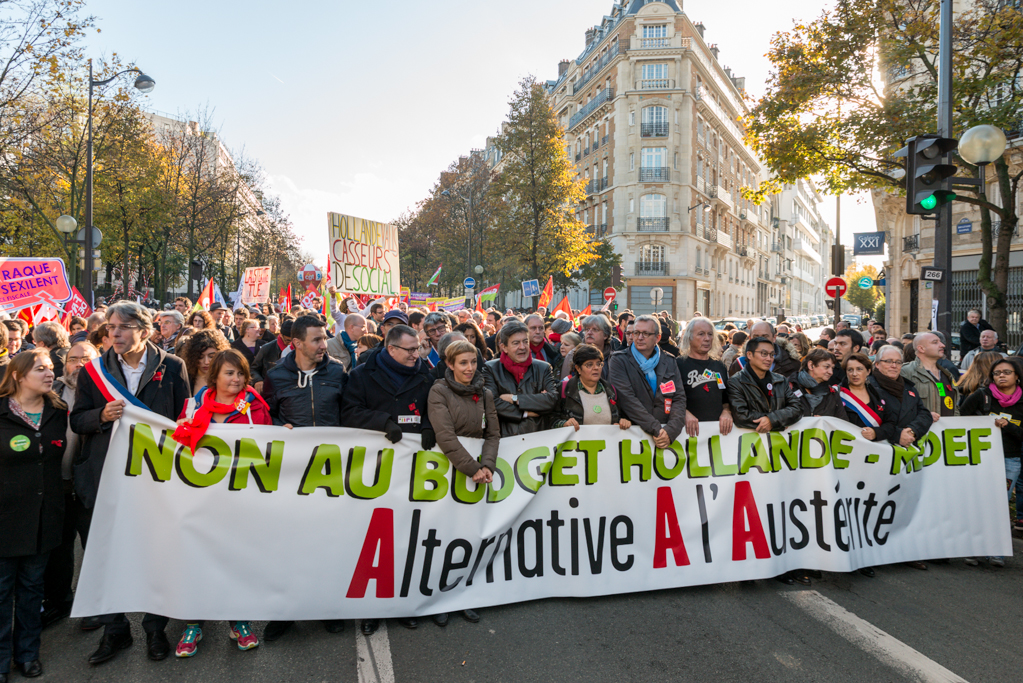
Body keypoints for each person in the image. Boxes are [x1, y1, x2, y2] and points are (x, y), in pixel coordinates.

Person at [69, 302, 191, 664]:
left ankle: (155, 629)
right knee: (107, 555)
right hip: (105, 476)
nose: (114, 334)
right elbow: (78, 420)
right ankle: (115, 630)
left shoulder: (172, 366)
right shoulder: (93, 372)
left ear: (145, 328)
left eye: (122, 327)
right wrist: (100, 415)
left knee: (155, 554)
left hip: (154, 478)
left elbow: (185, 419)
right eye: (109, 328)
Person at [169, 350, 270, 656]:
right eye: (229, 373)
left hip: (240, 499)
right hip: (201, 497)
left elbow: (270, 446)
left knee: (235, 559)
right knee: (196, 558)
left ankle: (238, 620)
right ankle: (193, 623)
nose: (236, 379)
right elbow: (178, 440)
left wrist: (285, 435)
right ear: (214, 376)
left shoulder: (256, 406)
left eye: (240, 373)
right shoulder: (196, 405)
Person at [342, 324, 434, 634]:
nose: (416, 354)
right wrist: (382, 422)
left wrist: (428, 426)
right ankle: (372, 608)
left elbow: (434, 409)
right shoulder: (361, 375)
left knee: (408, 538)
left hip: (412, 469)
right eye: (410, 350)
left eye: (418, 348)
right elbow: (350, 412)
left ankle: (404, 604)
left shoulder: (425, 374)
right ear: (391, 349)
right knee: (372, 542)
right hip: (373, 471)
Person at [261, 315, 348, 640]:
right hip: (291, 474)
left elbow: (349, 412)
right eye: (316, 340)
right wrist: (274, 429)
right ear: (296, 343)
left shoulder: (338, 371)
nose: (323, 345)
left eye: (324, 338)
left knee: (327, 543)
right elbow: (265, 416)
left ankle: (327, 608)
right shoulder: (276, 375)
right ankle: (285, 612)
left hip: (331, 471)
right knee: (288, 544)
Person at [0, 350, 66, 681]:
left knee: (31, 591)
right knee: (1, 593)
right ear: (17, 375)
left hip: (43, 519)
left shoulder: (58, 412)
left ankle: (27, 655)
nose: (49, 373)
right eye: (40, 368)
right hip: (5, 520)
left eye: (51, 368)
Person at [426, 339, 500, 627]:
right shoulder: (438, 391)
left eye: (473, 362)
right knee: (442, 538)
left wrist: (487, 465)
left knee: (469, 537)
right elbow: (445, 436)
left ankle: (464, 595)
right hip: (447, 472)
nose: (469, 368)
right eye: (463, 363)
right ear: (450, 365)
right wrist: (472, 468)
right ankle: (436, 599)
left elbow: (493, 434)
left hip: (477, 474)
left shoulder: (485, 393)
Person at [42, 341, 99, 629]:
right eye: (72, 359)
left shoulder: (105, 391)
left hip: (90, 483)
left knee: (95, 546)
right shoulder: (53, 391)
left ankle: (97, 605)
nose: (77, 365)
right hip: (58, 484)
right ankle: (59, 601)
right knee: (60, 548)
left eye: (84, 359)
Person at [960, 357, 1023, 568]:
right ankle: (974, 549)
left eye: (1006, 372)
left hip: (1009, 461)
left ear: (1017, 376)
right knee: (979, 501)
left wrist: (1008, 427)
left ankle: (997, 551)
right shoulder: (982, 395)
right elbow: (963, 417)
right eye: (997, 373)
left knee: (999, 503)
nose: (1001, 376)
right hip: (980, 458)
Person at [607, 315, 686, 448]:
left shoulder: (670, 361)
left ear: (658, 337)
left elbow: (679, 398)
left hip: (664, 436)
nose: (639, 337)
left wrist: (671, 431)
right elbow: (627, 399)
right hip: (632, 435)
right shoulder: (619, 360)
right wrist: (656, 429)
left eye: (645, 333)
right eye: (636, 333)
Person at [483, 319, 558, 436]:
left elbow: (551, 400)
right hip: (503, 440)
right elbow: (492, 404)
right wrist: (527, 412)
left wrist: (515, 398)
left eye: (525, 342)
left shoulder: (543, 368)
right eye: (516, 343)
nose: (522, 347)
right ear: (504, 347)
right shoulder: (491, 368)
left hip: (538, 439)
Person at [727, 336, 803, 433]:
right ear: (749, 355)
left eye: (772, 354)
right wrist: (775, 421)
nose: (769, 359)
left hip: (779, 444)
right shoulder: (736, 382)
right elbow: (741, 416)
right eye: (764, 354)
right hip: (751, 444)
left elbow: (797, 408)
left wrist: (772, 420)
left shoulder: (780, 380)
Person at [554, 343, 633, 431]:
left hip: (607, 444)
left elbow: (618, 417)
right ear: (578, 368)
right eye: (589, 365)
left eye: (599, 364)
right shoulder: (564, 389)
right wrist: (564, 424)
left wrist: (622, 422)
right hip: (577, 444)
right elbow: (550, 420)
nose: (596, 368)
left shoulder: (611, 390)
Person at [676, 317, 733, 437]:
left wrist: (726, 411)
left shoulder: (719, 365)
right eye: (701, 334)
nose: (707, 338)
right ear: (689, 337)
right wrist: (684, 413)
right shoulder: (677, 365)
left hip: (717, 435)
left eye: (710, 334)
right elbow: (668, 398)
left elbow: (726, 398)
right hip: (687, 435)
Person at [902, 332, 959, 423]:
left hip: (945, 434)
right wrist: (922, 416)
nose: (942, 345)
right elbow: (899, 406)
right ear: (921, 348)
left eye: (941, 342)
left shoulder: (947, 374)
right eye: (935, 342)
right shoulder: (906, 372)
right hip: (920, 433)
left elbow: (954, 407)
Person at [727, 321, 800, 378]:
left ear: (774, 338)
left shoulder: (792, 363)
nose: (760, 340)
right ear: (750, 339)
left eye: (765, 336)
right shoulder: (739, 364)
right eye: (756, 337)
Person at [790, 348, 847, 419]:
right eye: (826, 367)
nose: (831, 372)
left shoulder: (832, 393)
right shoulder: (788, 387)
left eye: (832, 368)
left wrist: (825, 423)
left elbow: (842, 423)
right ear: (811, 365)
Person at [560, 315, 619, 381]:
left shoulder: (614, 357)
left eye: (595, 330)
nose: (589, 333)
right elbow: (566, 385)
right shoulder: (573, 354)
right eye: (587, 329)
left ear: (605, 335)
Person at [182, 329, 231, 395]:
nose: (206, 362)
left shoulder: (230, 379)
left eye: (211, 356)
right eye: (200, 357)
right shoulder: (184, 379)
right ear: (192, 357)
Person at [251, 318, 293, 393]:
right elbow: (253, 369)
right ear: (281, 334)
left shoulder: (299, 348)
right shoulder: (267, 348)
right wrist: (258, 380)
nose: (290, 344)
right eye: (287, 340)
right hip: (271, 391)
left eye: (293, 340)